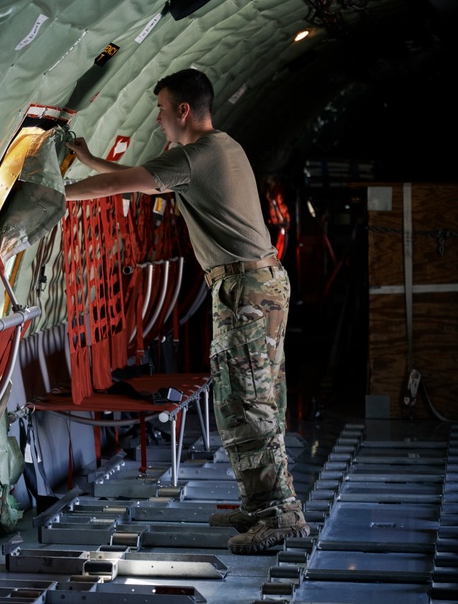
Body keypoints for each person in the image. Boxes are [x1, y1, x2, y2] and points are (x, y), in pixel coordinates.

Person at [64, 68, 308, 555]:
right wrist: (87, 157)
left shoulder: (195, 157)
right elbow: (144, 181)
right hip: (256, 283)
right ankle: (262, 504)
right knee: (254, 397)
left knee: (247, 401)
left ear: (182, 111)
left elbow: (127, 185)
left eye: (160, 110)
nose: (156, 121)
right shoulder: (223, 147)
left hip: (245, 290)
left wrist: (56, 197)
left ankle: (280, 515)